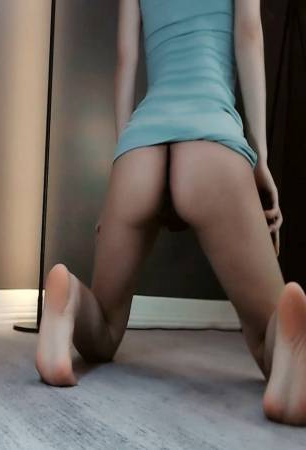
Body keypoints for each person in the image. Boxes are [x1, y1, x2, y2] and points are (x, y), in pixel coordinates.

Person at [36, 0, 306, 426]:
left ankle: (69, 296)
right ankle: (289, 349)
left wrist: (122, 158)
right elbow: (249, 34)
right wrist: (261, 159)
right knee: (263, 332)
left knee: (104, 328)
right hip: (210, 134)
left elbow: (126, 58)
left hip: (143, 141)